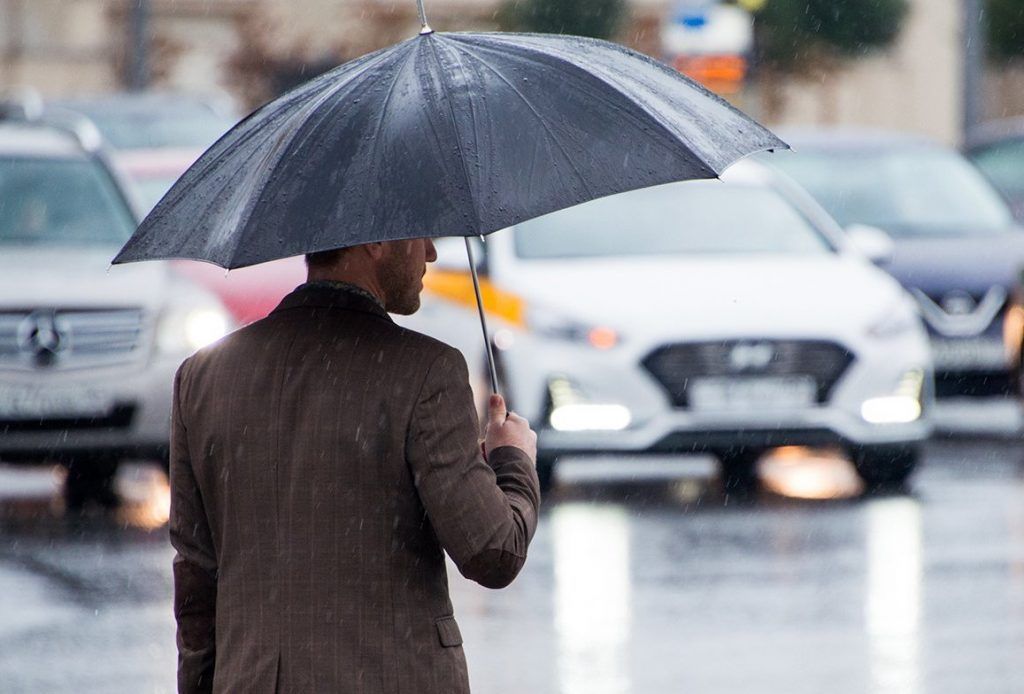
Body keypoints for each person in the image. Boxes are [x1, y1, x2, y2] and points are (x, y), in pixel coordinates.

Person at [169, 237, 540, 694]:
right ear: (379, 242)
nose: (431, 253)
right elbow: (493, 551)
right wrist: (512, 458)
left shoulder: (204, 377)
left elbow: (196, 578)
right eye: (420, 235)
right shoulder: (427, 372)